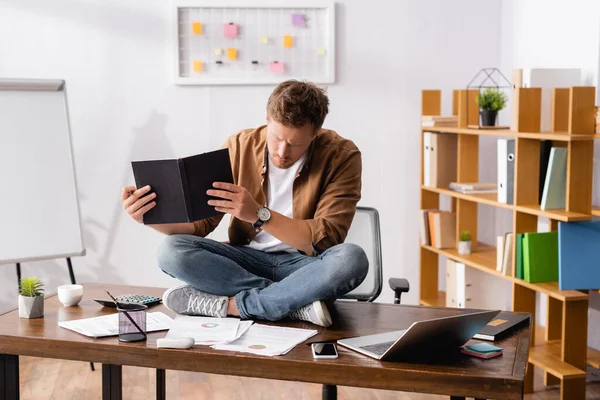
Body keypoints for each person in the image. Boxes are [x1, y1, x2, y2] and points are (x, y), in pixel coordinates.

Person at [121, 80, 368, 327]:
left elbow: (327, 240)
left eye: (295, 144)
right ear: (267, 119)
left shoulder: (342, 156)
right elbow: (202, 224)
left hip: (305, 267)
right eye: (276, 138)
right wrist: (150, 217)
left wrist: (259, 215)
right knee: (171, 250)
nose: (282, 151)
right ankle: (292, 303)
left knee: (351, 259)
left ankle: (235, 306)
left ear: (316, 133)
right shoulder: (239, 145)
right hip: (245, 263)